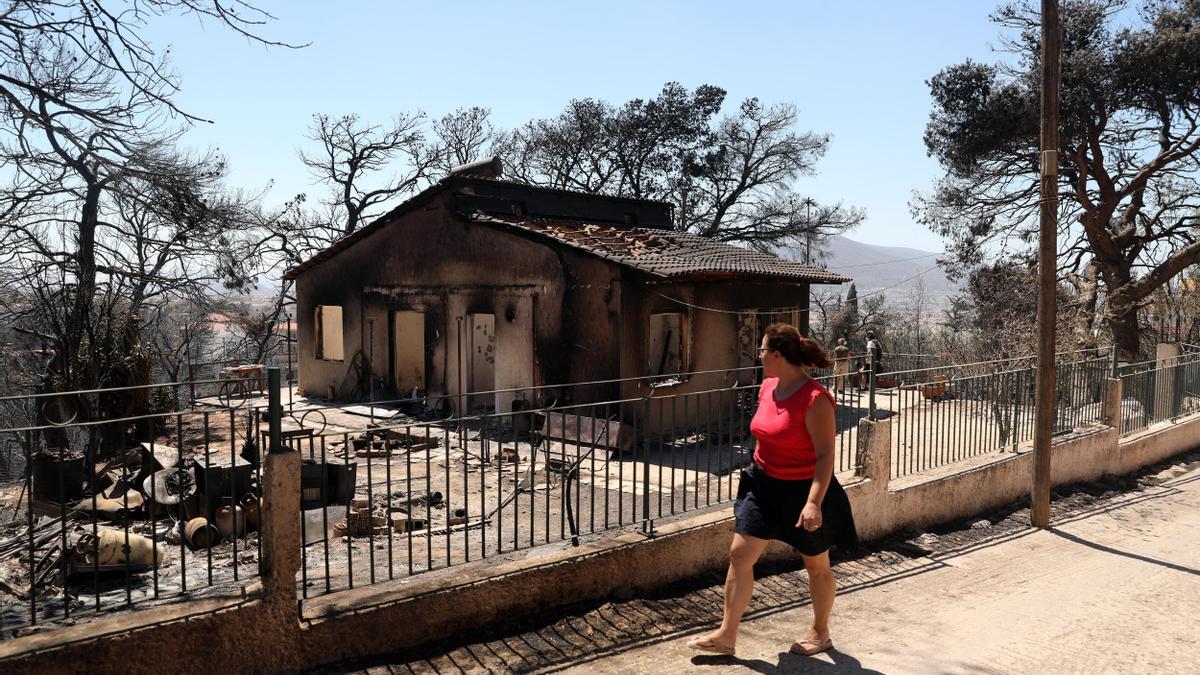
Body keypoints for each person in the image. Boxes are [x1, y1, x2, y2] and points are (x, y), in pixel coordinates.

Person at [686, 323, 857, 658]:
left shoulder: (814, 399)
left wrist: (813, 503)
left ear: (778, 355)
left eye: (762, 350)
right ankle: (727, 635)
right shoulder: (767, 388)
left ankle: (821, 632)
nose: (759, 355)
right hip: (764, 486)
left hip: (803, 493)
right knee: (739, 554)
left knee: (816, 565)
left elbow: (825, 457)